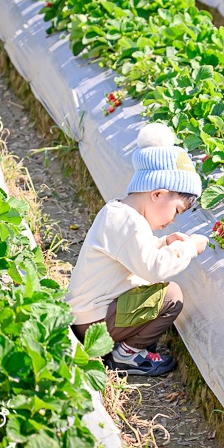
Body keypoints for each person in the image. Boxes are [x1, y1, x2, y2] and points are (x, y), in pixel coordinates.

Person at [66, 122, 209, 376]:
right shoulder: (130, 224)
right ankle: (125, 356)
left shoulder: (119, 212)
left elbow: (130, 253)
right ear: (157, 194)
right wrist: (188, 248)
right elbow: (155, 268)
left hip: (86, 316)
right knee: (171, 296)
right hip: (92, 325)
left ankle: (122, 346)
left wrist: (163, 243)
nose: (172, 221)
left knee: (149, 288)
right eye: (176, 210)